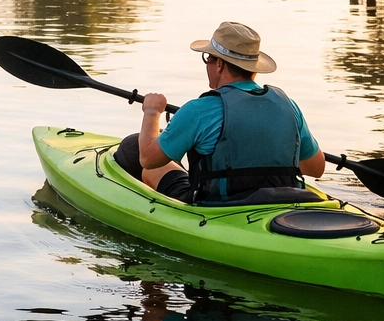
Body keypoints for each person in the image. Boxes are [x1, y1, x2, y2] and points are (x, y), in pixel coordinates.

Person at [114, 22, 324, 204]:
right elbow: (316, 168)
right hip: (282, 201)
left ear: (220, 64)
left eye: (208, 58)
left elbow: (148, 159)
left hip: (218, 206)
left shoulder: (199, 110)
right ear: (254, 67)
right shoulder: (289, 107)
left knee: (134, 147)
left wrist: (152, 111)